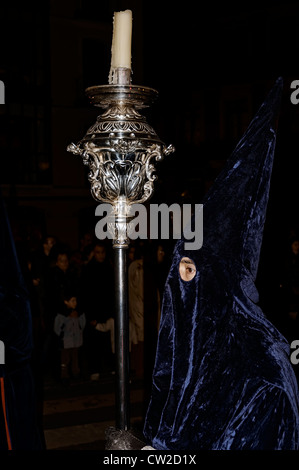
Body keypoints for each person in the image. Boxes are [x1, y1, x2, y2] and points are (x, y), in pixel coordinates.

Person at [143, 78, 299, 450]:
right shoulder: (203, 348)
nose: (181, 289)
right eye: (177, 270)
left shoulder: (264, 366)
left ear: (219, 276)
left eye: (191, 271)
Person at [79, 241, 115, 379]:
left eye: (102, 252)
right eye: (98, 252)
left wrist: (113, 313)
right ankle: (94, 369)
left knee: (109, 342)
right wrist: (89, 316)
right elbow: (85, 294)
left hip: (107, 313)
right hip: (94, 313)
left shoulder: (110, 268)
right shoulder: (88, 270)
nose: (100, 255)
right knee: (94, 343)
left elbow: (113, 292)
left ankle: (111, 366)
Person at [54, 293, 86, 384]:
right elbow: (57, 328)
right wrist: (67, 319)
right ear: (66, 302)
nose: (75, 303)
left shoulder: (79, 313)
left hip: (76, 340)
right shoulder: (61, 314)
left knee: (75, 357)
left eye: (75, 300)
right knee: (65, 359)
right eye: (72, 301)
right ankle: (64, 375)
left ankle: (76, 373)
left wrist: (79, 319)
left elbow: (82, 325)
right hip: (66, 341)